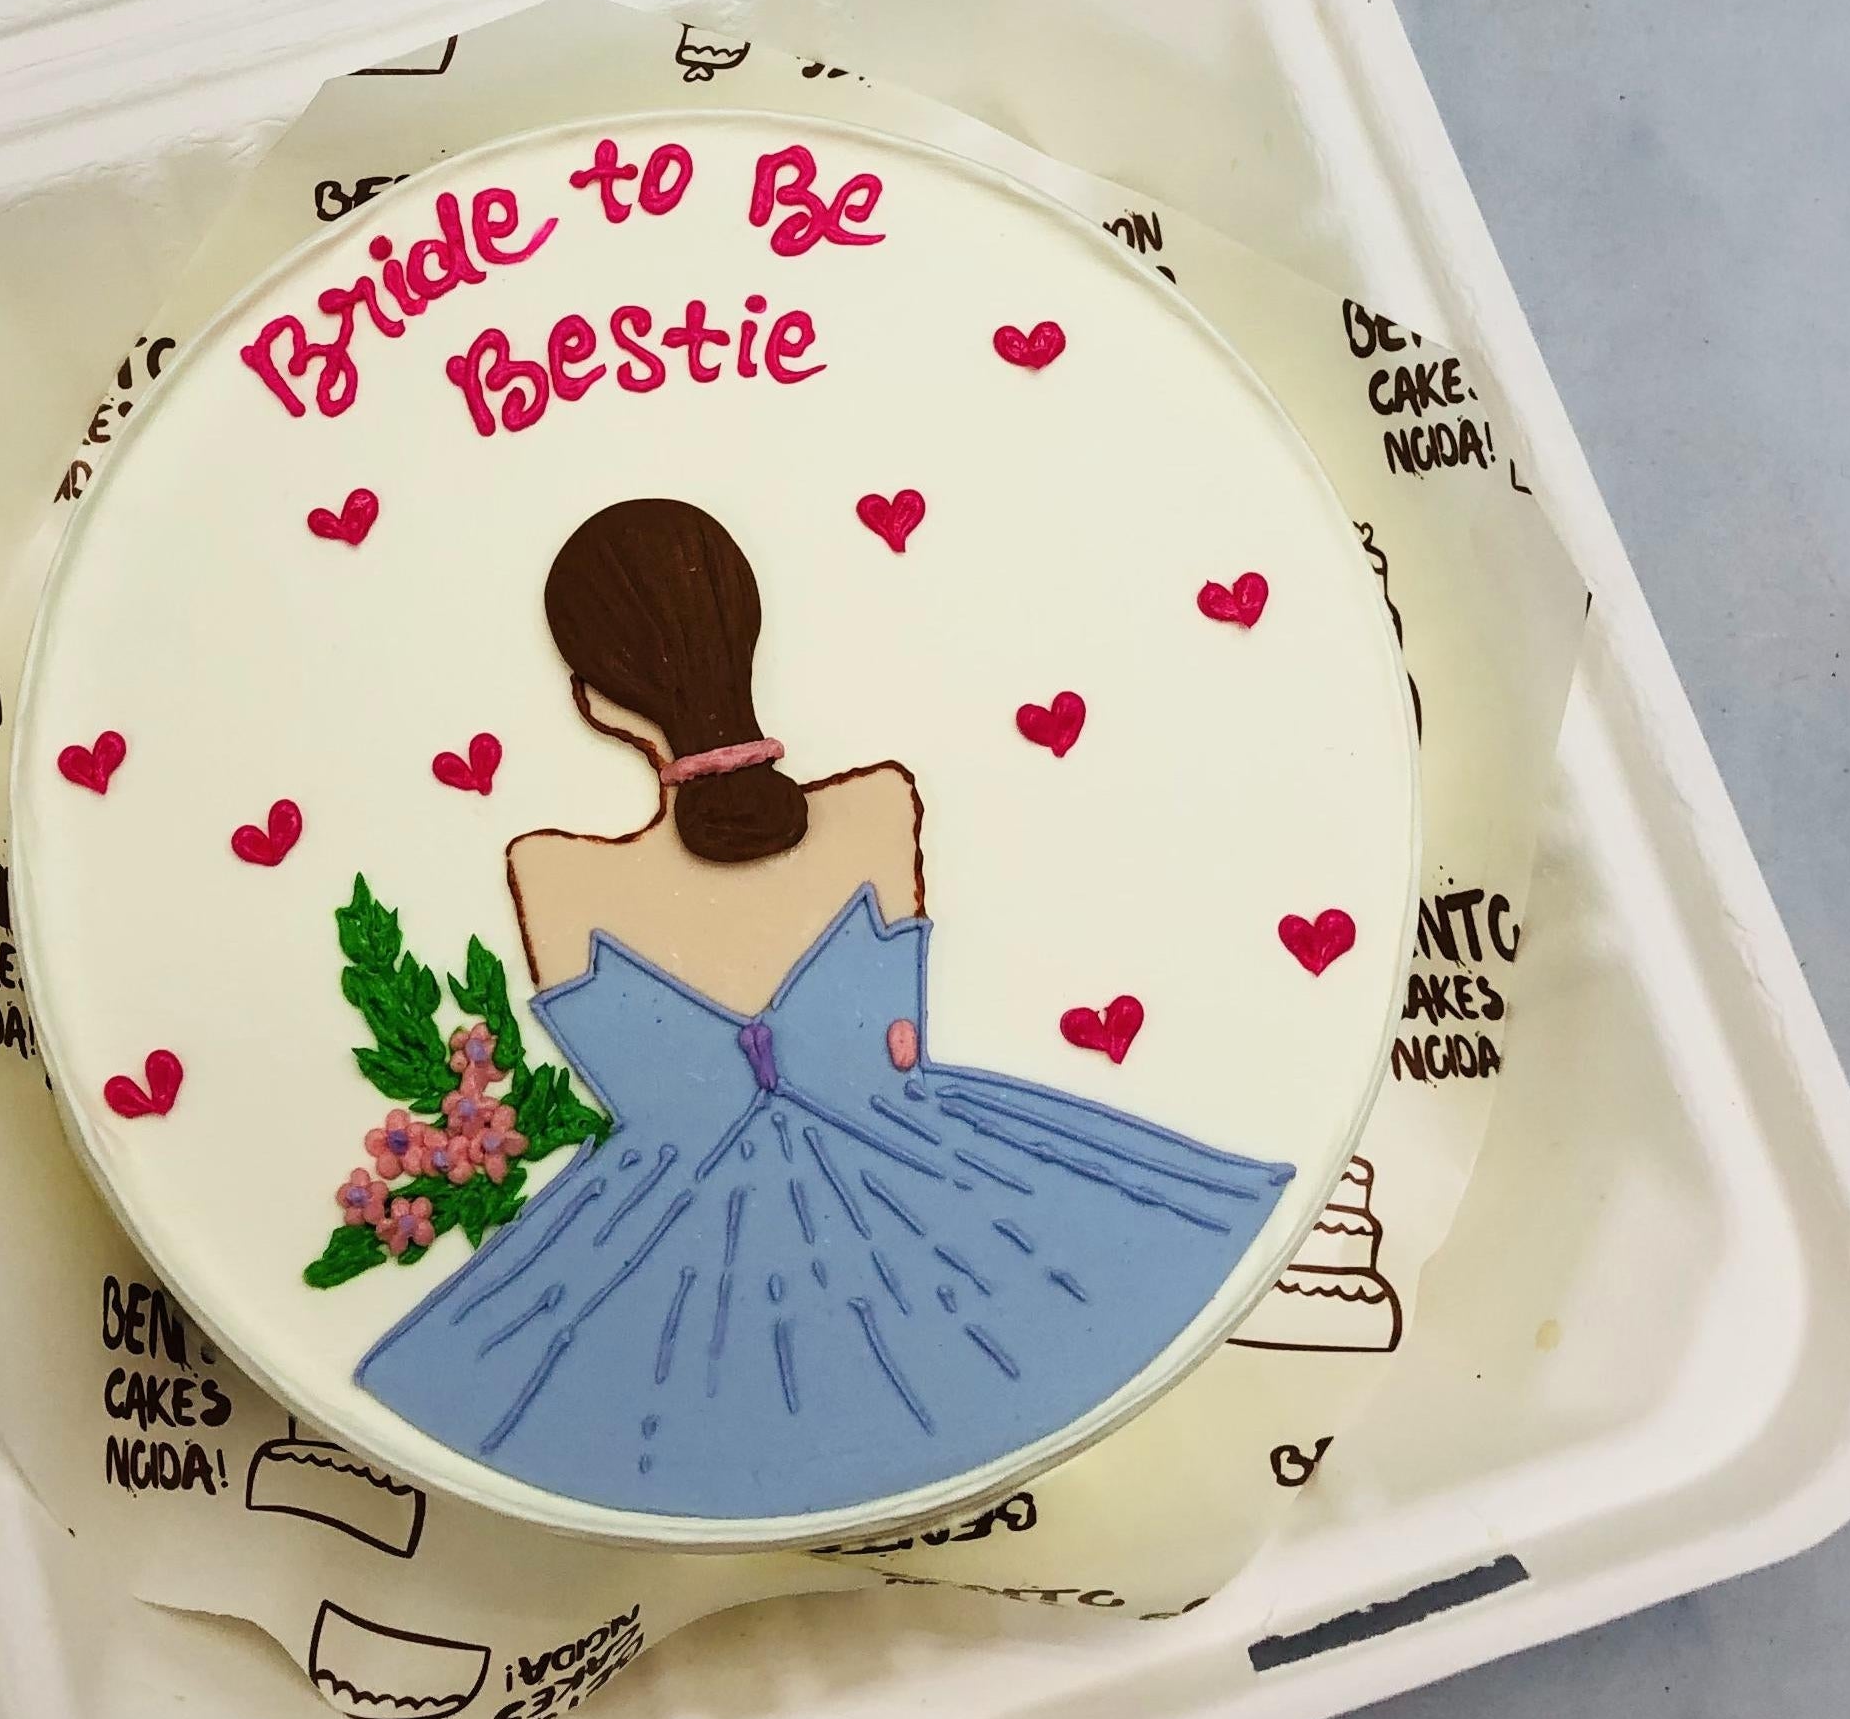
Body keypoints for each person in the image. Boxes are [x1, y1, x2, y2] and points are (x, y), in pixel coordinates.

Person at [353, 498, 1293, 1521]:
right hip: (955, 1217)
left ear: (594, 702)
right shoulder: (881, 806)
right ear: (749, 631)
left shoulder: (555, 876)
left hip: (663, 1278)